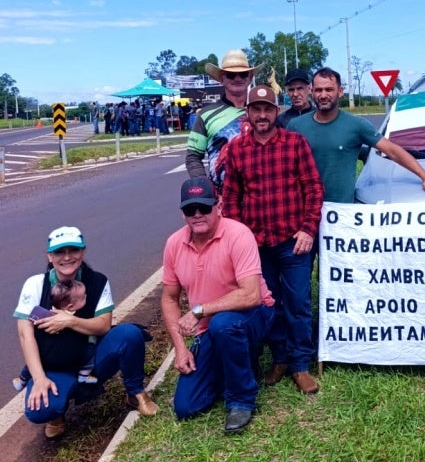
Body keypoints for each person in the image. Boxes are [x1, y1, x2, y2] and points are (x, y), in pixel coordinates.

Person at [223, 85, 324, 394]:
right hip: (255, 244)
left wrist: (308, 228)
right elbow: (230, 200)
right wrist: (238, 241)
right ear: (248, 113)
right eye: (257, 109)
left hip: (293, 241)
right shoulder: (238, 149)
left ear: (276, 112)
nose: (263, 115)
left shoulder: (295, 144)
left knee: (298, 303)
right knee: (270, 303)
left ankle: (300, 364)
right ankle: (279, 358)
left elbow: (314, 190)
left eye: (268, 109)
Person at [14, 226, 158, 439]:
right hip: (53, 366)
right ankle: (56, 414)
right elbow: (25, 334)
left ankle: (135, 392)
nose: (67, 257)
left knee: (129, 334)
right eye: (59, 252)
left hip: (91, 359)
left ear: (83, 252)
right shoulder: (35, 284)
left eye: (73, 250)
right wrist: (39, 377)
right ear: (49, 256)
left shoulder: (97, 281)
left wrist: (69, 321)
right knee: (39, 410)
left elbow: (103, 325)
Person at [161, 177, 275, 434]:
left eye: (204, 207)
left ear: (219, 205)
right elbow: (169, 298)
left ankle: (242, 400)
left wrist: (199, 310)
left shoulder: (238, 235)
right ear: (183, 214)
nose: (198, 214)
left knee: (224, 325)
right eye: (191, 210)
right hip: (210, 328)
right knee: (186, 406)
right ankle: (237, 362)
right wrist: (180, 348)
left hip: (253, 314)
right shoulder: (174, 244)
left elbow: (251, 295)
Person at [288, 67, 425, 203]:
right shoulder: (296, 126)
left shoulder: (356, 125)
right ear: (311, 91)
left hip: (340, 214)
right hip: (304, 212)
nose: (323, 95)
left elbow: (392, 150)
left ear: (340, 91)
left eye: (329, 89)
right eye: (318, 90)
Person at [186, 49, 263, 189]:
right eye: (231, 75)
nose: (238, 78)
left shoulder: (264, 113)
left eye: (243, 74)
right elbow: (193, 157)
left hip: (261, 199)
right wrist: (206, 188)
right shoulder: (205, 115)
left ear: (250, 77)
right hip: (223, 200)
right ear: (222, 78)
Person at [13, 280, 99, 391]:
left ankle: (21, 381)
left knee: (31, 364)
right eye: (83, 298)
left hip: (46, 353)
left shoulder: (48, 312)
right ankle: (84, 375)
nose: (86, 297)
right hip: (72, 352)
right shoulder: (77, 314)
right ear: (71, 306)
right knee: (90, 351)